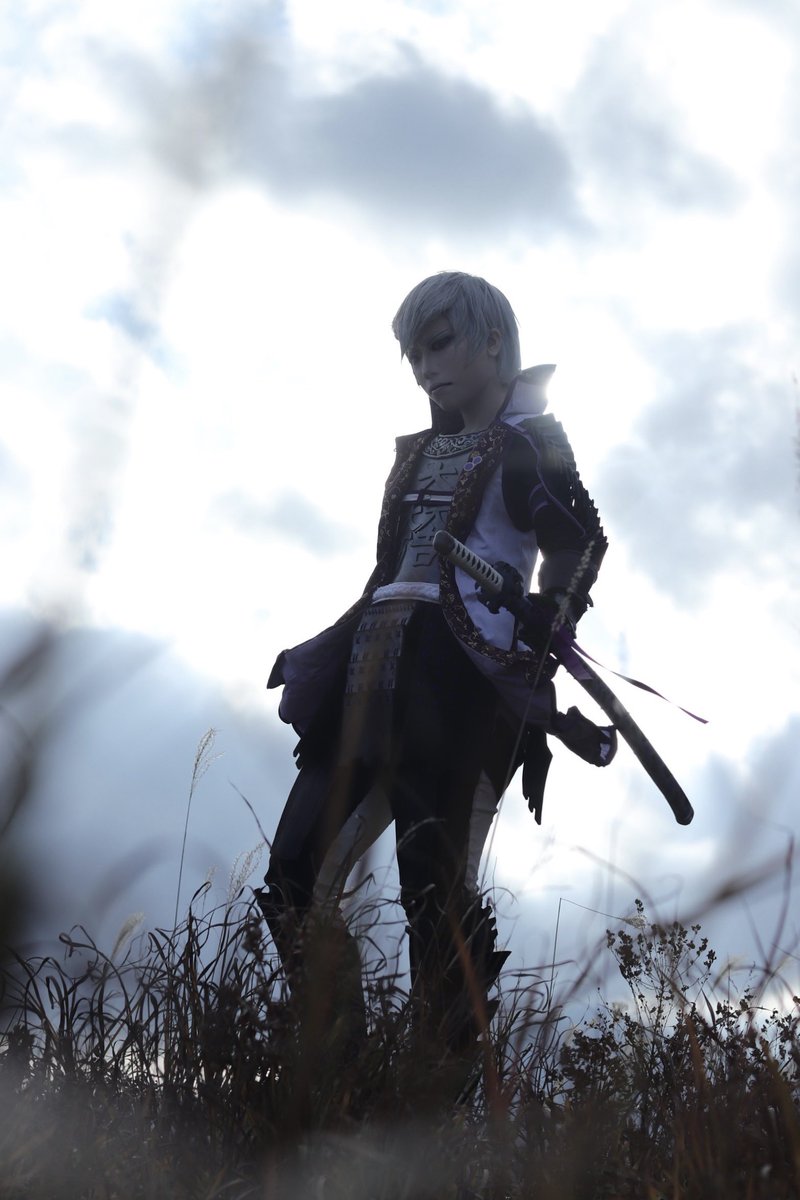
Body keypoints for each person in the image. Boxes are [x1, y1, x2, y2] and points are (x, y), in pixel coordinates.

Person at [256, 271, 610, 1053]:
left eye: (440, 344)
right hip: (370, 670)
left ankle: (437, 1090)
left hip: (466, 684)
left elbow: (579, 542)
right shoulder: (415, 455)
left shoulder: (532, 441)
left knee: (435, 894)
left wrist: (549, 617)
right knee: (292, 881)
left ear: (493, 339)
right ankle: (338, 1068)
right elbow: (390, 568)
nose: (425, 368)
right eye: (414, 355)